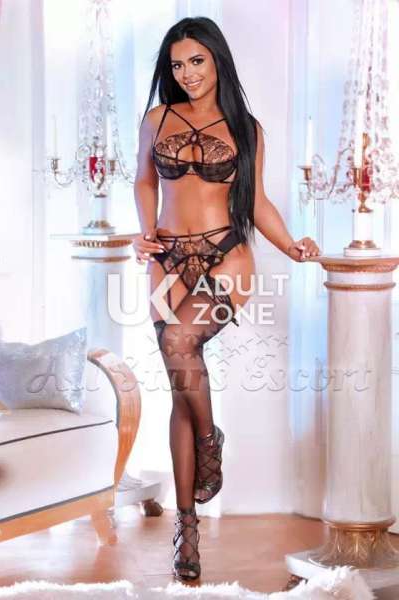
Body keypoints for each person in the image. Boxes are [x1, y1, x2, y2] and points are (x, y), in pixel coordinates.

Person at [133, 16, 320, 582]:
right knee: (180, 389)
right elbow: (144, 179)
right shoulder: (156, 119)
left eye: (197, 61)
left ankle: (209, 441)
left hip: (226, 259)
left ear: (217, 60)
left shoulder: (245, 126)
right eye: (177, 64)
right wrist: (145, 230)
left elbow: (256, 200)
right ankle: (187, 529)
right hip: (167, 262)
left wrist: (291, 245)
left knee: (179, 339)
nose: (187, 73)